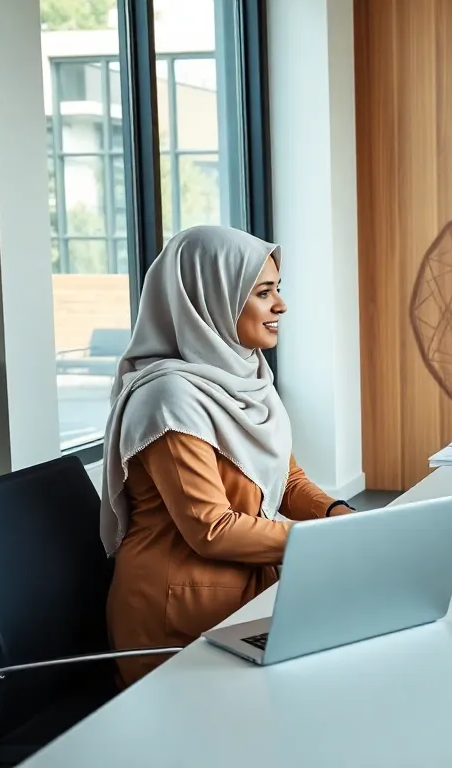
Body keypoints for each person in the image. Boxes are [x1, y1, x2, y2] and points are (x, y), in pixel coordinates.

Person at [101, 226, 354, 686]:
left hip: (246, 587)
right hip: (181, 615)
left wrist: (340, 515)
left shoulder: (246, 377)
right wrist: (324, 542)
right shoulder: (170, 399)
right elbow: (211, 529)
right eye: (263, 293)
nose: (281, 305)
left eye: (278, 290)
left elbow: (286, 478)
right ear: (209, 299)